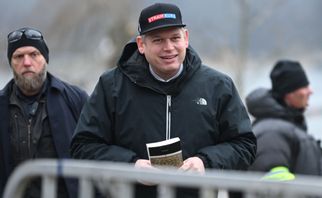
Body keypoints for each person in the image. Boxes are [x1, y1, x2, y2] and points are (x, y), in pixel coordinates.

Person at [70, 3, 256, 198]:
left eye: (175, 38)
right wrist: (130, 166)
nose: (168, 48)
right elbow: (83, 145)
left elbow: (245, 144)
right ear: (141, 45)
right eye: (158, 40)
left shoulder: (218, 86)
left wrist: (205, 162)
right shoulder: (111, 86)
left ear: (186, 38)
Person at [0, 27, 88, 198]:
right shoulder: (2, 105)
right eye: (19, 56)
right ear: (11, 62)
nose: (27, 62)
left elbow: (97, 151)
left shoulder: (75, 100)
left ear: (45, 59)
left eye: (34, 54)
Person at [246, 60, 322, 179]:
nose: (310, 91)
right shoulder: (272, 133)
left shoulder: (284, 128)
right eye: (304, 86)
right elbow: (274, 188)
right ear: (289, 94)